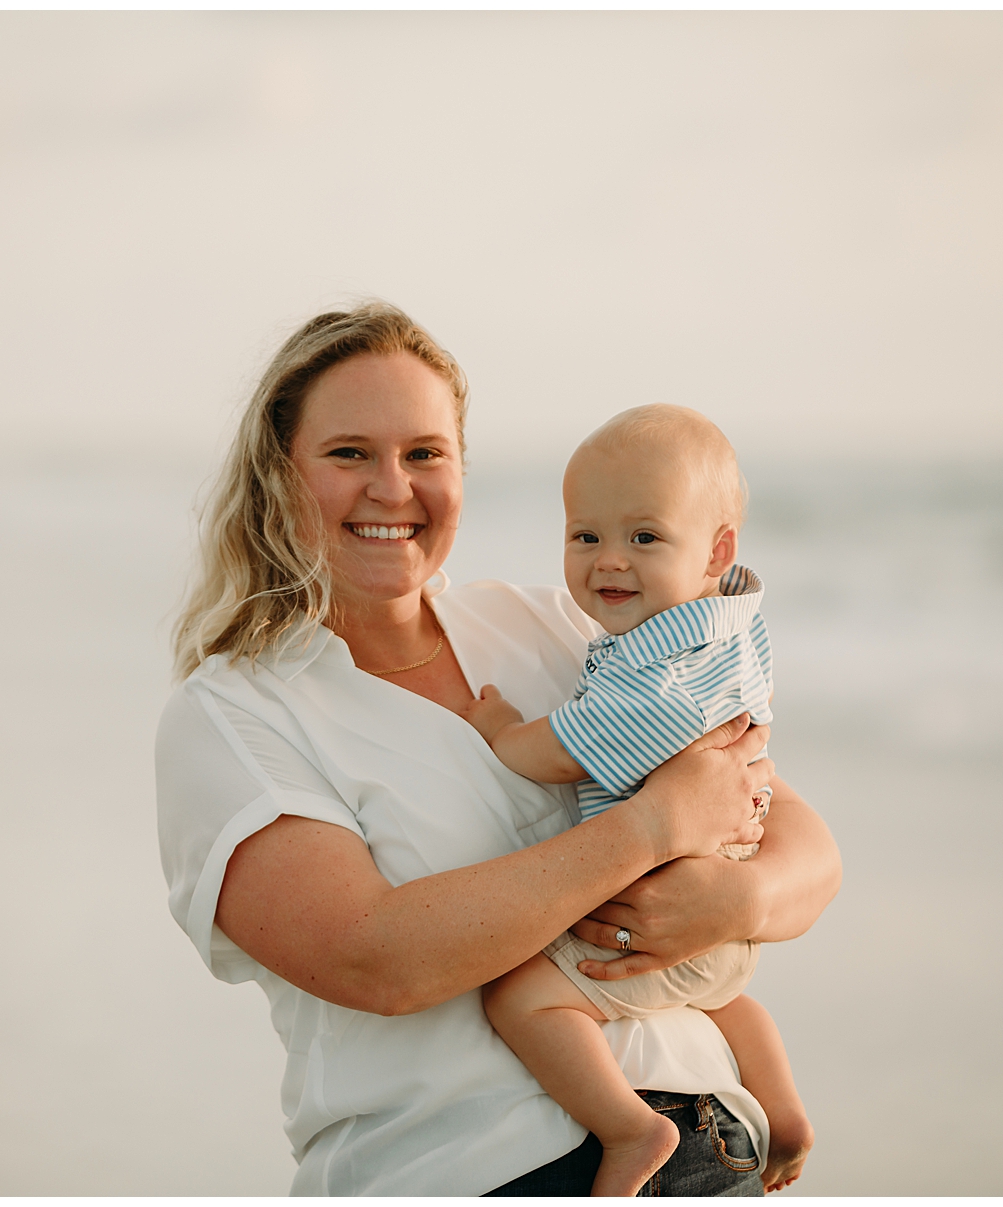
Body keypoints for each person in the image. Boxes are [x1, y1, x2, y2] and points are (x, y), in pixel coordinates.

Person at [155, 302, 841, 1196]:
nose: (393, 488)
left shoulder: (568, 627)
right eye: (349, 452)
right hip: (465, 1170)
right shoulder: (235, 712)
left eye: (425, 454)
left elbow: (805, 851)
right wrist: (648, 830)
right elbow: (377, 957)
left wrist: (734, 897)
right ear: (279, 475)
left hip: (710, 1150)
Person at [462, 405, 811, 1195]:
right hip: (721, 917)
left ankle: (630, 1128)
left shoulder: (659, 675)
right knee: (725, 997)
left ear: (716, 550)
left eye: (644, 538)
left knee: (521, 996)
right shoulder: (727, 629)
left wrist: (500, 727)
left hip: (666, 909)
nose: (609, 561)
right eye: (585, 536)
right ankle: (783, 1112)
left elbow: (563, 749)